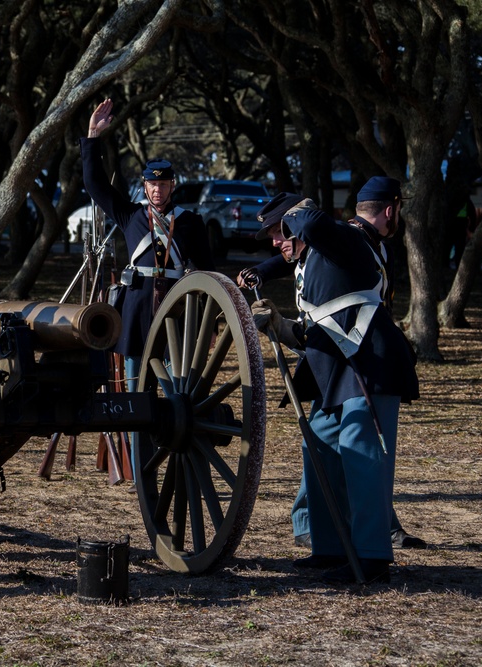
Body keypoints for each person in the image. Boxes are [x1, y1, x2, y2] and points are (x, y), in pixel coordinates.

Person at [237, 180, 425, 551]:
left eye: (279, 233)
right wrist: (278, 325)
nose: (275, 242)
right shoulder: (311, 263)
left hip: (367, 365)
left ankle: (371, 555)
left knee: (362, 457)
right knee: (318, 452)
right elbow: (318, 330)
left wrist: (294, 213)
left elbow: (313, 226)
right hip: (331, 372)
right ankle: (327, 548)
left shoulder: (344, 238)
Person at [81, 98, 215, 480]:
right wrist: (93, 137)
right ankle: (139, 469)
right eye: (151, 183)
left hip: (174, 310)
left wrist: (209, 322)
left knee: (178, 390)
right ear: (144, 186)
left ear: (173, 185)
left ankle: (177, 457)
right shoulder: (130, 215)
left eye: (164, 183)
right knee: (135, 390)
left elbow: (206, 272)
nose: (157, 189)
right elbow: (93, 183)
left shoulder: (190, 222)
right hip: (136, 309)